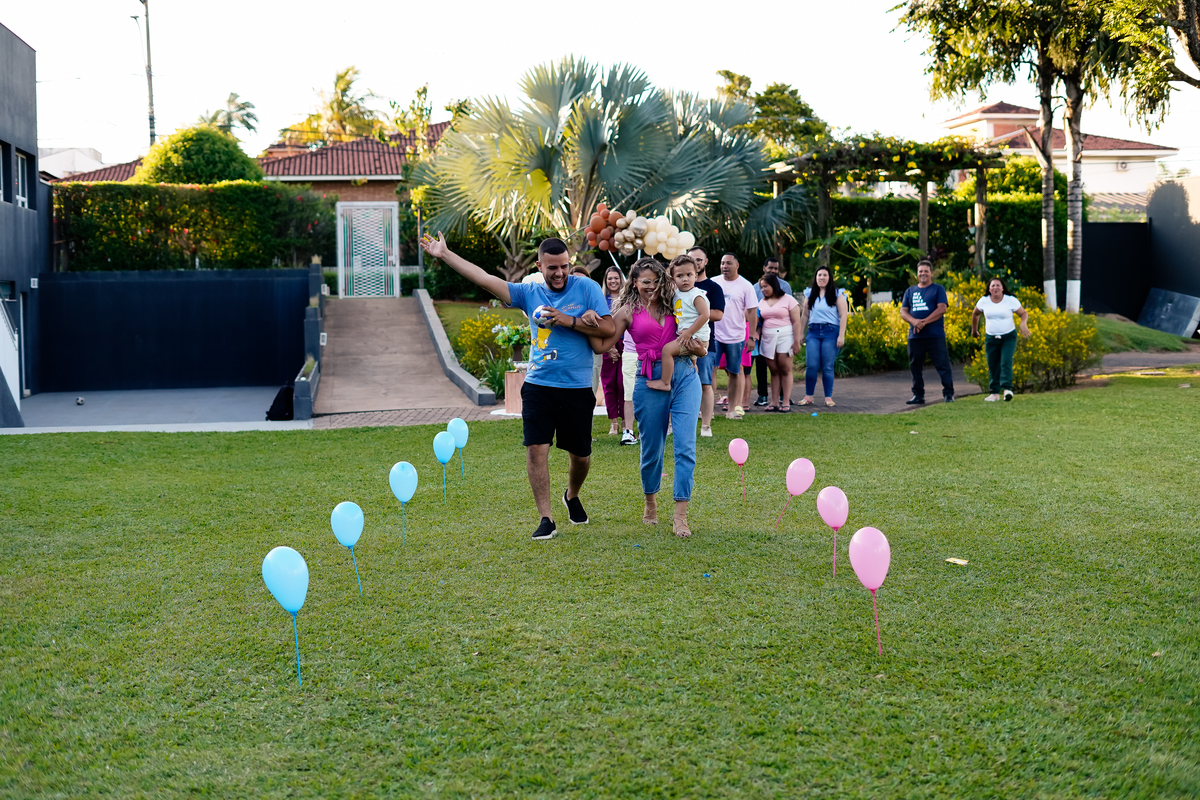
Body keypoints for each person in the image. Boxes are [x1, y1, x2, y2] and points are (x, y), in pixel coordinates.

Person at [418, 232, 614, 541]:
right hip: (538, 384)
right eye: (552, 267)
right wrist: (445, 254)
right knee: (536, 449)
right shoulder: (528, 292)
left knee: (581, 456)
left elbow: (609, 327)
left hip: (576, 387)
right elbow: (484, 278)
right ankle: (546, 518)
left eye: (564, 266)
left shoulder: (586, 288)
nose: (559, 273)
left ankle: (572, 495)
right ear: (539, 266)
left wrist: (568, 320)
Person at [591, 258, 705, 537]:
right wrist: (585, 321)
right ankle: (650, 503)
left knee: (686, 447)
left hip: (685, 375)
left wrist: (698, 350)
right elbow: (603, 344)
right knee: (652, 448)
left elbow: (701, 339)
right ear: (634, 282)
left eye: (656, 281)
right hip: (649, 379)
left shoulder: (675, 303)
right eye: (645, 282)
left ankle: (680, 516)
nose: (651, 286)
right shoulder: (627, 311)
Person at [646, 255, 710, 392]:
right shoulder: (677, 294)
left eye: (689, 275)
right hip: (689, 335)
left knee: (667, 350)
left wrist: (689, 333)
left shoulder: (696, 295)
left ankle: (665, 382)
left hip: (696, 337)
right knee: (691, 364)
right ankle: (692, 386)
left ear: (696, 276)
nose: (685, 279)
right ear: (673, 278)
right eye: (680, 276)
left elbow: (705, 315)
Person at [900, 259, 954, 404]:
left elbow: (942, 309)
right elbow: (903, 311)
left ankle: (948, 394)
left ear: (931, 273)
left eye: (926, 271)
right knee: (915, 366)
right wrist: (914, 322)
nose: (923, 274)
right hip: (915, 336)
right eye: (920, 271)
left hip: (935, 335)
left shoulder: (938, 289)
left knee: (942, 365)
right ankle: (918, 395)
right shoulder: (910, 291)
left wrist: (923, 322)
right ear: (917, 273)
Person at [713, 253, 759, 420]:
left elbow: (752, 312)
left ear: (737, 265)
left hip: (736, 337)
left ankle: (732, 409)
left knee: (735, 371)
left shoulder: (746, 286)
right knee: (710, 370)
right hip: (714, 335)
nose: (725, 266)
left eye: (728, 263)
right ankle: (707, 409)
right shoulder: (714, 282)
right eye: (722, 263)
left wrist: (752, 336)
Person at [971, 276, 1030, 401]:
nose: (995, 287)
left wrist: (1023, 324)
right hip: (991, 338)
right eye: (992, 285)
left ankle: (1007, 390)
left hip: (1008, 337)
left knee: (1005, 361)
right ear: (989, 289)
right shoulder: (984, 301)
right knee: (993, 365)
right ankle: (994, 393)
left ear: (1003, 288)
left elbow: (1023, 313)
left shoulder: (1010, 300)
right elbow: (975, 314)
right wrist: (974, 330)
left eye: (998, 285)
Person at [687, 246, 725, 438]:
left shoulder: (713, 288)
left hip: (705, 342)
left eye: (699, 260)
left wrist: (695, 314)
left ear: (706, 262)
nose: (695, 263)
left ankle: (706, 426)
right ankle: (671, 425)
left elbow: (718, 314)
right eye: (691, 260)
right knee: (677, 383)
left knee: (705, 383)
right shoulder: (679, 288)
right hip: (680, 340)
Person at [798, 266, 849, 407]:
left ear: (829, 278)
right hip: (813, 332)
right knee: (811, 365)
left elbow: (843, 315)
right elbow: (805, 314)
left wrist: (841, 335)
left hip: (830, 332)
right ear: (815, 277)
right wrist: (801, 333)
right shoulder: (810, 294)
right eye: (819, 275)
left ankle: (828, 397)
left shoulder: (837, 294)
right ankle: (809, 396)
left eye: (825, 275)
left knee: (827, 366)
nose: (822, 277)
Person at [757, 273, 802, 411]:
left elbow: (796, 321)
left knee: (785, 368)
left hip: (785, 336)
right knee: (774, 370)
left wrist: (796, 341)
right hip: (768, 338)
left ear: (774, 285)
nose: (763, 289)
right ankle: (774, 402)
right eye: (761, 287)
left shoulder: (788, 300)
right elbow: (759, 322)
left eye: (766, 286)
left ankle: (786, 401)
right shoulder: (762, 302)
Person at [754, 257, 792, 407]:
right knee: (762, 364)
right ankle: (763, 395)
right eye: (770, 268)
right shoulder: (755, 287)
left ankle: (784, 396)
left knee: (782, 365)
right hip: (762, 331)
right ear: (764, 268)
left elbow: (791, 311)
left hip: (783, 332)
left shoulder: (785, 286)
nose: (773, 271)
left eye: (776, 268)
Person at [600, 266, 626, 432]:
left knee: (622, 384)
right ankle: (613, 423)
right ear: (606, 281)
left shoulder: (627, 299)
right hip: (607, 344)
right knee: (609, 384)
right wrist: (609, 347)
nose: (613, 281)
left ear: (621, 280)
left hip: (625, 343)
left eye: (616, 278)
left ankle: (625, 420)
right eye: (610, 278)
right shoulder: (601, 300)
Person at [571, 265, 604, 398]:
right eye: (576, 280)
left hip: (592, 351)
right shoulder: (565, 302)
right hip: (572, 351)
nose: (581, 284)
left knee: (590, 390)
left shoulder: (596, 300)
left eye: (584, 281)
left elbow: (605, 327)